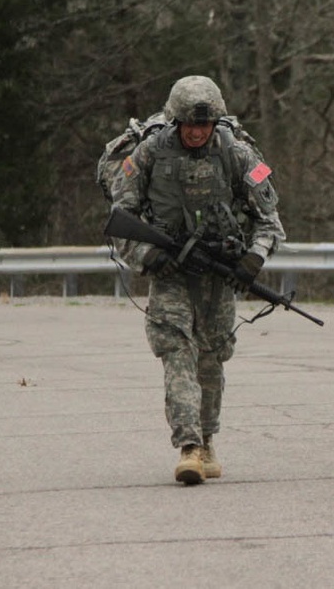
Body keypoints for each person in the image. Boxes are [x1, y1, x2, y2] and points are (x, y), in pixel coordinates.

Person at [110, 75, 286, 485]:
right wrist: (148, 254)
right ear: (174, 121)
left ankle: (207, 441)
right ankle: (188, 446)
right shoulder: (148, 154)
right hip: (170, 273)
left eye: (203, 125)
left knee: (211, 357)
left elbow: (270, 222)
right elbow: (120, 219)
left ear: (215, 123)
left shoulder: (238, 155)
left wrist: (252, 260)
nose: (196, 131)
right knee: (176, 351)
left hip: (219, 276)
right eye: (189, 124)